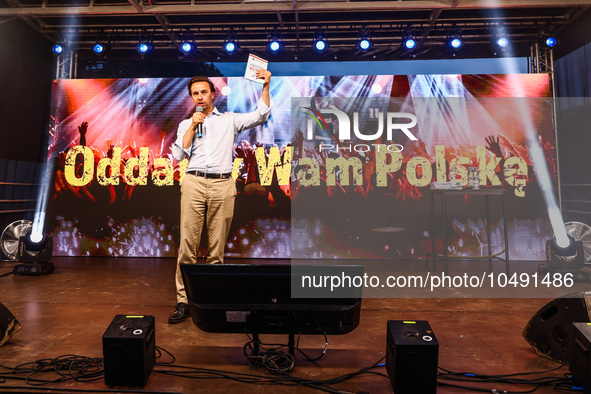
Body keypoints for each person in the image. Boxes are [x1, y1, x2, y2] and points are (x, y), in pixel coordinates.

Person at [169, 70, 272, 323]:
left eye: (204, 92)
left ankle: (210, 300)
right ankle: (184, 301)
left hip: (222, 185)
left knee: (217, 249)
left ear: (213, 94)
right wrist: (193, 125)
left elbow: (261, 115)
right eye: (195, 94)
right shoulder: (187, 124)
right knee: (188, 248)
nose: (200, 97)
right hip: (194, 182)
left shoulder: (229, 120)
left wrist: (266, 86)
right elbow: (179, 156)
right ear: (191, 98)